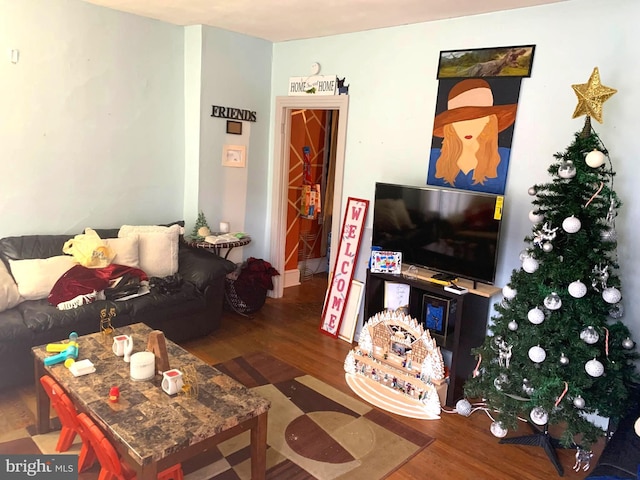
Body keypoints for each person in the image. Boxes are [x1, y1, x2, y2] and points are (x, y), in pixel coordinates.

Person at [427, 78, 517, 194]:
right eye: (460, 121)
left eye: (476, 119)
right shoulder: (434, 157)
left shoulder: (506, 158)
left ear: (488, 121)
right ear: (450, 126)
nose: (467, 128)